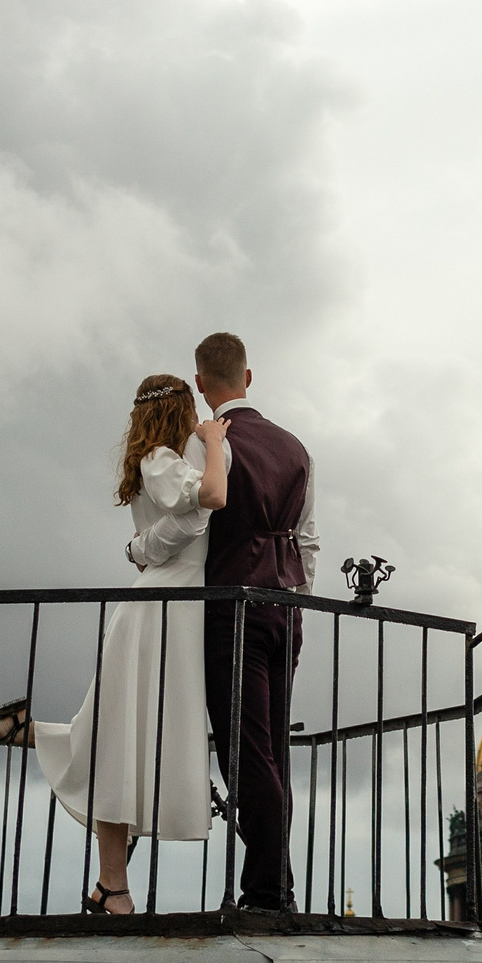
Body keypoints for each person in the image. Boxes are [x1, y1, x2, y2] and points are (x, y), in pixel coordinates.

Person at [0, 373, 224, 913]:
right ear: (182, 407)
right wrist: (144, 549)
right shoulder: (160, 460)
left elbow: (187, 520)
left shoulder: (168, 456)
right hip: (160, 608)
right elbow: (201, 510)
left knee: (127, 738)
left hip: (173, 607)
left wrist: (143, 547)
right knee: (120, 739)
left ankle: (28, 733)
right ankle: (112, 886)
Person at [167, 331, 318, 910]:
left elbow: (192, 523)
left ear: (201, 384)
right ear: (249, 378)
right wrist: (298, 600)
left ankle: (267, 890)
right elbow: (309, 540)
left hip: (231, 609)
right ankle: (276, 883)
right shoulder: (297, 448)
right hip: (286, 609)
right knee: (272, 747)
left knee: (245, 750)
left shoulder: (207, 443)